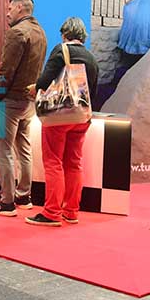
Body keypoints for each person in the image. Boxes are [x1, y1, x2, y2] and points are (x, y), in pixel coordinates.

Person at [26, 17, 98, 227]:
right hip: (82, 117)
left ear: (65, 34)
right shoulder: (91, 58)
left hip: (59, 116)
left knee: (53, 162)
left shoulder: (62, 50)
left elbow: (44, 80)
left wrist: (34, 88)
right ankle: (71, 211)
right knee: (74, 162)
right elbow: (92, 91)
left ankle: (51, 212)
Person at [0, 0, 48, 216]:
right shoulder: (40, 32)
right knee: (24, 149)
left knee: (3, 151)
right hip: (28, 101)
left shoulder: (17, 32)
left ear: (20, 8)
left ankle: (7, 202)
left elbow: (7, 70)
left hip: (10, 101)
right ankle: (24, 196)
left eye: (10, 8)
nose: (7, 13)